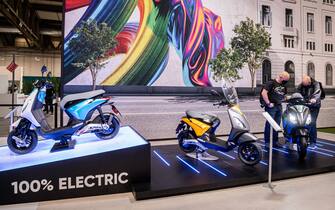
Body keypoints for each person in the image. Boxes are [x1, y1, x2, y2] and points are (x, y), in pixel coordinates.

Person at [261, 71, 290, 147]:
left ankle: (275, 141)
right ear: (281, 77)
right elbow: (264, 93)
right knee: (269, 124)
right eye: (285, 79)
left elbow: (284, 96)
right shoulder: (271, 83)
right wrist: (268, 103)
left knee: (276, 125)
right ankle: (267, 142)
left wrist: (288, 99)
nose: (286, 81)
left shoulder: (283, 86)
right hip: (271, 106)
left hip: (279, 106)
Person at [297, 75, 322, 148]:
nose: (304, 85)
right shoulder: (301, 85)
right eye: (303, 83)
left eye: (305, 84)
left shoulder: (316, 84)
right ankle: (304, 138)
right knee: (302, 122)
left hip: (314, 106)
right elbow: (297, 93)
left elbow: (317, 93)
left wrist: (314, 99)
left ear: (309, 82)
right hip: (305, 105)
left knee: (312, 123)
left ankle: (313, 142)